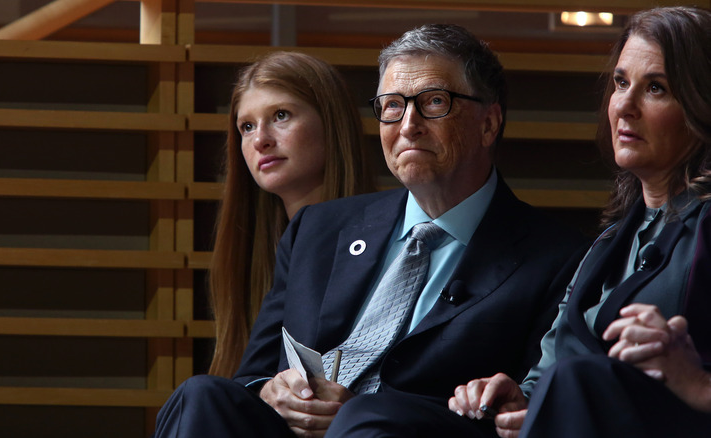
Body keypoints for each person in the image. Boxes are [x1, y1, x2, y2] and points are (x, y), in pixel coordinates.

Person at [152, 24, 585, 438]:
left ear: (489, 124)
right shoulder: (318, 229)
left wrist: (356, 413)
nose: (408, 125)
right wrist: (271, 391)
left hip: (407, 430)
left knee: (369, 415)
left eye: (434, 102)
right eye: (393, 106)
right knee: (201, 394)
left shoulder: (558, 258)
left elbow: (531, 409)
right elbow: (252, 375)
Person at [448, 6, 711, 438]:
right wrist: (523, 401)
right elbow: (551, 370)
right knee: (380, 415)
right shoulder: (608, 243)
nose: (624, 105)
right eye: (621, 82)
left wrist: (698, 384)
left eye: (657, 88)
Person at [207, 51, 376, 378]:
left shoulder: (396, 239)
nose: (260, 140)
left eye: (281, 115)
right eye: (247, 126)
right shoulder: (248, 258)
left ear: (331, 123)